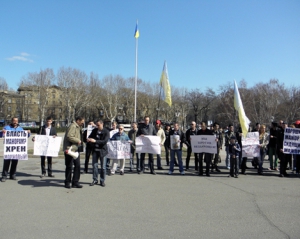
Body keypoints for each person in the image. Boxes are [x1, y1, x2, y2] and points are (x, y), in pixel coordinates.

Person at [1, 117, 31, 182]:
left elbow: (26, 136)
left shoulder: (20, 128)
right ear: (12, 121)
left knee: (14, 163)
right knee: (6, 163)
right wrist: (2, 131)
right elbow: (1, 134)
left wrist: (28, 132)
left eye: (16, 121)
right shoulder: (7, 127)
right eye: (14, 121)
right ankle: (4, 176)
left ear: (18, 121)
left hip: (16, 149)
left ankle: (12, 175)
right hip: (9, 148)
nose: (15, 122)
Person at [63, 116, 85, 189]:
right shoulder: (73, 126)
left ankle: (75, 182)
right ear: (78, 120)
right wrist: (77, 140)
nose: (83, 123)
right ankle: (67, 182)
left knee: (77, 165)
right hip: (70, 149)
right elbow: (69, 136)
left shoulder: (78, 127)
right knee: (69, 166)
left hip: (76, 149)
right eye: (82, 121)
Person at [87, 120, 109, 186]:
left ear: (102, 124)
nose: (97, 126)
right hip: (95, 151)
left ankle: (102, 180)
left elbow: (104, 141)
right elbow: (90, 136)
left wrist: (95, 141)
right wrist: (89, 139)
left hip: (103, 151)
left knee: (103, 167)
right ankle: (95, 180)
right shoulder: (94, 131)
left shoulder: (106, 131)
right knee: (94, 166)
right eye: (96, 125)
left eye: (98, 125)